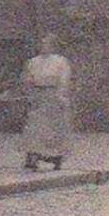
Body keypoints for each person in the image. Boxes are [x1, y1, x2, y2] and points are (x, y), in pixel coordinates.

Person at [19, 32, 73, 171]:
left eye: (47, 44)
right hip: (38, 96)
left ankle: (54, 155)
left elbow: (64, 80)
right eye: (42, 44)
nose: (44, 47)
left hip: (53, 96)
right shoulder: (33, 61)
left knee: (51, 128)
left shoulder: (60, 61)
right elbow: (27, 79)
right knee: (34, 126)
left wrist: (61, 96)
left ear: (53, 46)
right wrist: (30, 95)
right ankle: (33, 156)